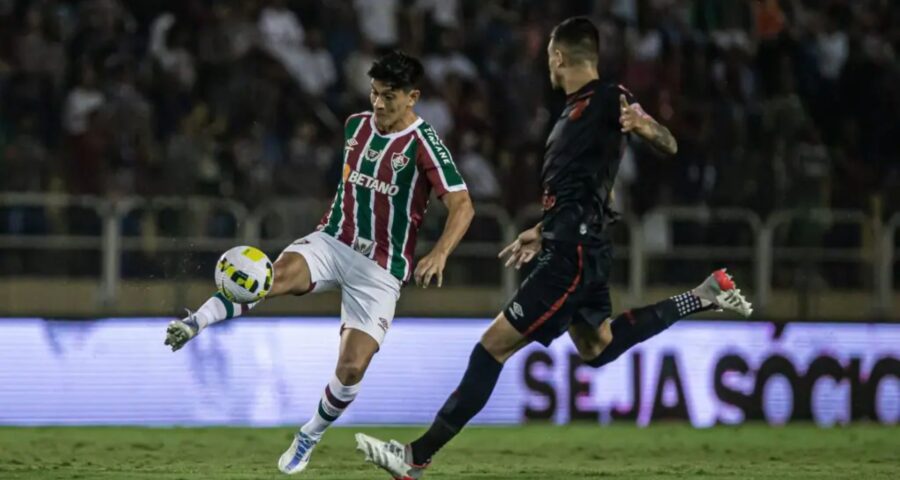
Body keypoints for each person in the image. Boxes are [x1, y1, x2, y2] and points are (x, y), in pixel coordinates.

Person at [354, 17, 752, 480]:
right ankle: (704, 295)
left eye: (548, 56)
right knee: (598, 345)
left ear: (559, 57)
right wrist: (543, 228)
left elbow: (669, 142)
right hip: (576, 242)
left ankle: (415, 458)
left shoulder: (607, 98)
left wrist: (645, 126)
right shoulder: (574, 110)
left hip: (572, 255)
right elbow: (586, 186)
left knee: (490, 350)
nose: (547, 63)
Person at [163, 50, 474, 475]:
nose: (379, 104)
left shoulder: (424, 144)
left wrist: (439, 252)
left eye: (390, 97)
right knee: (267, 277)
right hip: (333, 240)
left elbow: (462, 205)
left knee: (351, 368)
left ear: (413, 97)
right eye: (375, 93)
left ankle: (309, 433)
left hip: (380, 269)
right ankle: (193, 322)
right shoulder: (355, 126)